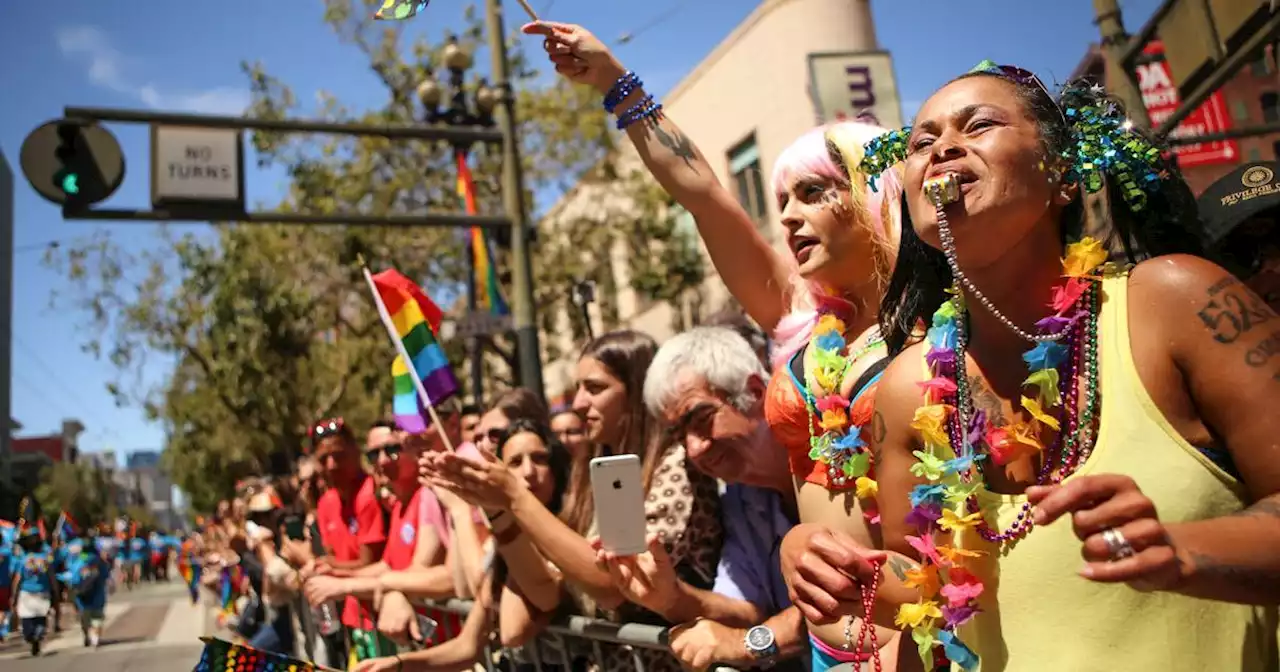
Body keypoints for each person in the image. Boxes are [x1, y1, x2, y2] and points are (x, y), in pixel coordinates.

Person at [791, 62, 1280, 671]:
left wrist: (1185, 550)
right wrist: (820, 558)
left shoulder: (1173, 302)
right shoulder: (908, 389)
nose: (943, 147)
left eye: (981, 124)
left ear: (1063, 177)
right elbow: (926, 591)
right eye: (922, 142)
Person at [526, 20, 904, 668]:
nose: (784, 215)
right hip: (834, 653)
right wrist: (616, 85)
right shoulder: (798, 318)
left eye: (811, 192)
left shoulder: (947, 321)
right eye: (780, 197)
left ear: (876, 196)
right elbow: (702, 195)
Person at [431, 330, 723, 672]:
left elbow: (620, 587)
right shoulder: (591, 475)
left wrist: (513, 496)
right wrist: (497, 509)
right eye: (579, 389)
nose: (579, 403)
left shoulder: (677, 466)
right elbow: (527, 611)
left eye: (595, 388)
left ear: (636, 390)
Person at [595, 327, 804, 671]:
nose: (694, 448)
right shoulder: (741, 498)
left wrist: (749, 644)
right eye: (679, 435)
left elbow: (853, 599)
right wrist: (670, 597)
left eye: (702, 420)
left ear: (754, 391)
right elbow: (749, 609)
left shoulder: (833, 454)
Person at [364, 419, 575, 672]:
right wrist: (398, 664)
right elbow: (467, 646)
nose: (529, 472)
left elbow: (512, 629)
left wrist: (478, 512)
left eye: (540, 459)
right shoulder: (504, 544)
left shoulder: (567, 537)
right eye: (515, 463)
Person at [58, 532, 109, 648]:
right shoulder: (100, 560)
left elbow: (72, 577)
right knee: (97, 617)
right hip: (98, 594)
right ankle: (95, 637)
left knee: (84, 617)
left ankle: (87, 634)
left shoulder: (77, 560)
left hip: (82, 595)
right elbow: (105, 575)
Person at [13, 523, 54, 657]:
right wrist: (55, 591)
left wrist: (14, 594)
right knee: (40, 617)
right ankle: (38, 635)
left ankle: (32, 636)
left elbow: (18, 578)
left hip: (27, 592)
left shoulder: (22, 560)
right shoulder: (45, 558)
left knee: (27, 617)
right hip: (42, 591)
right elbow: (51, 576)